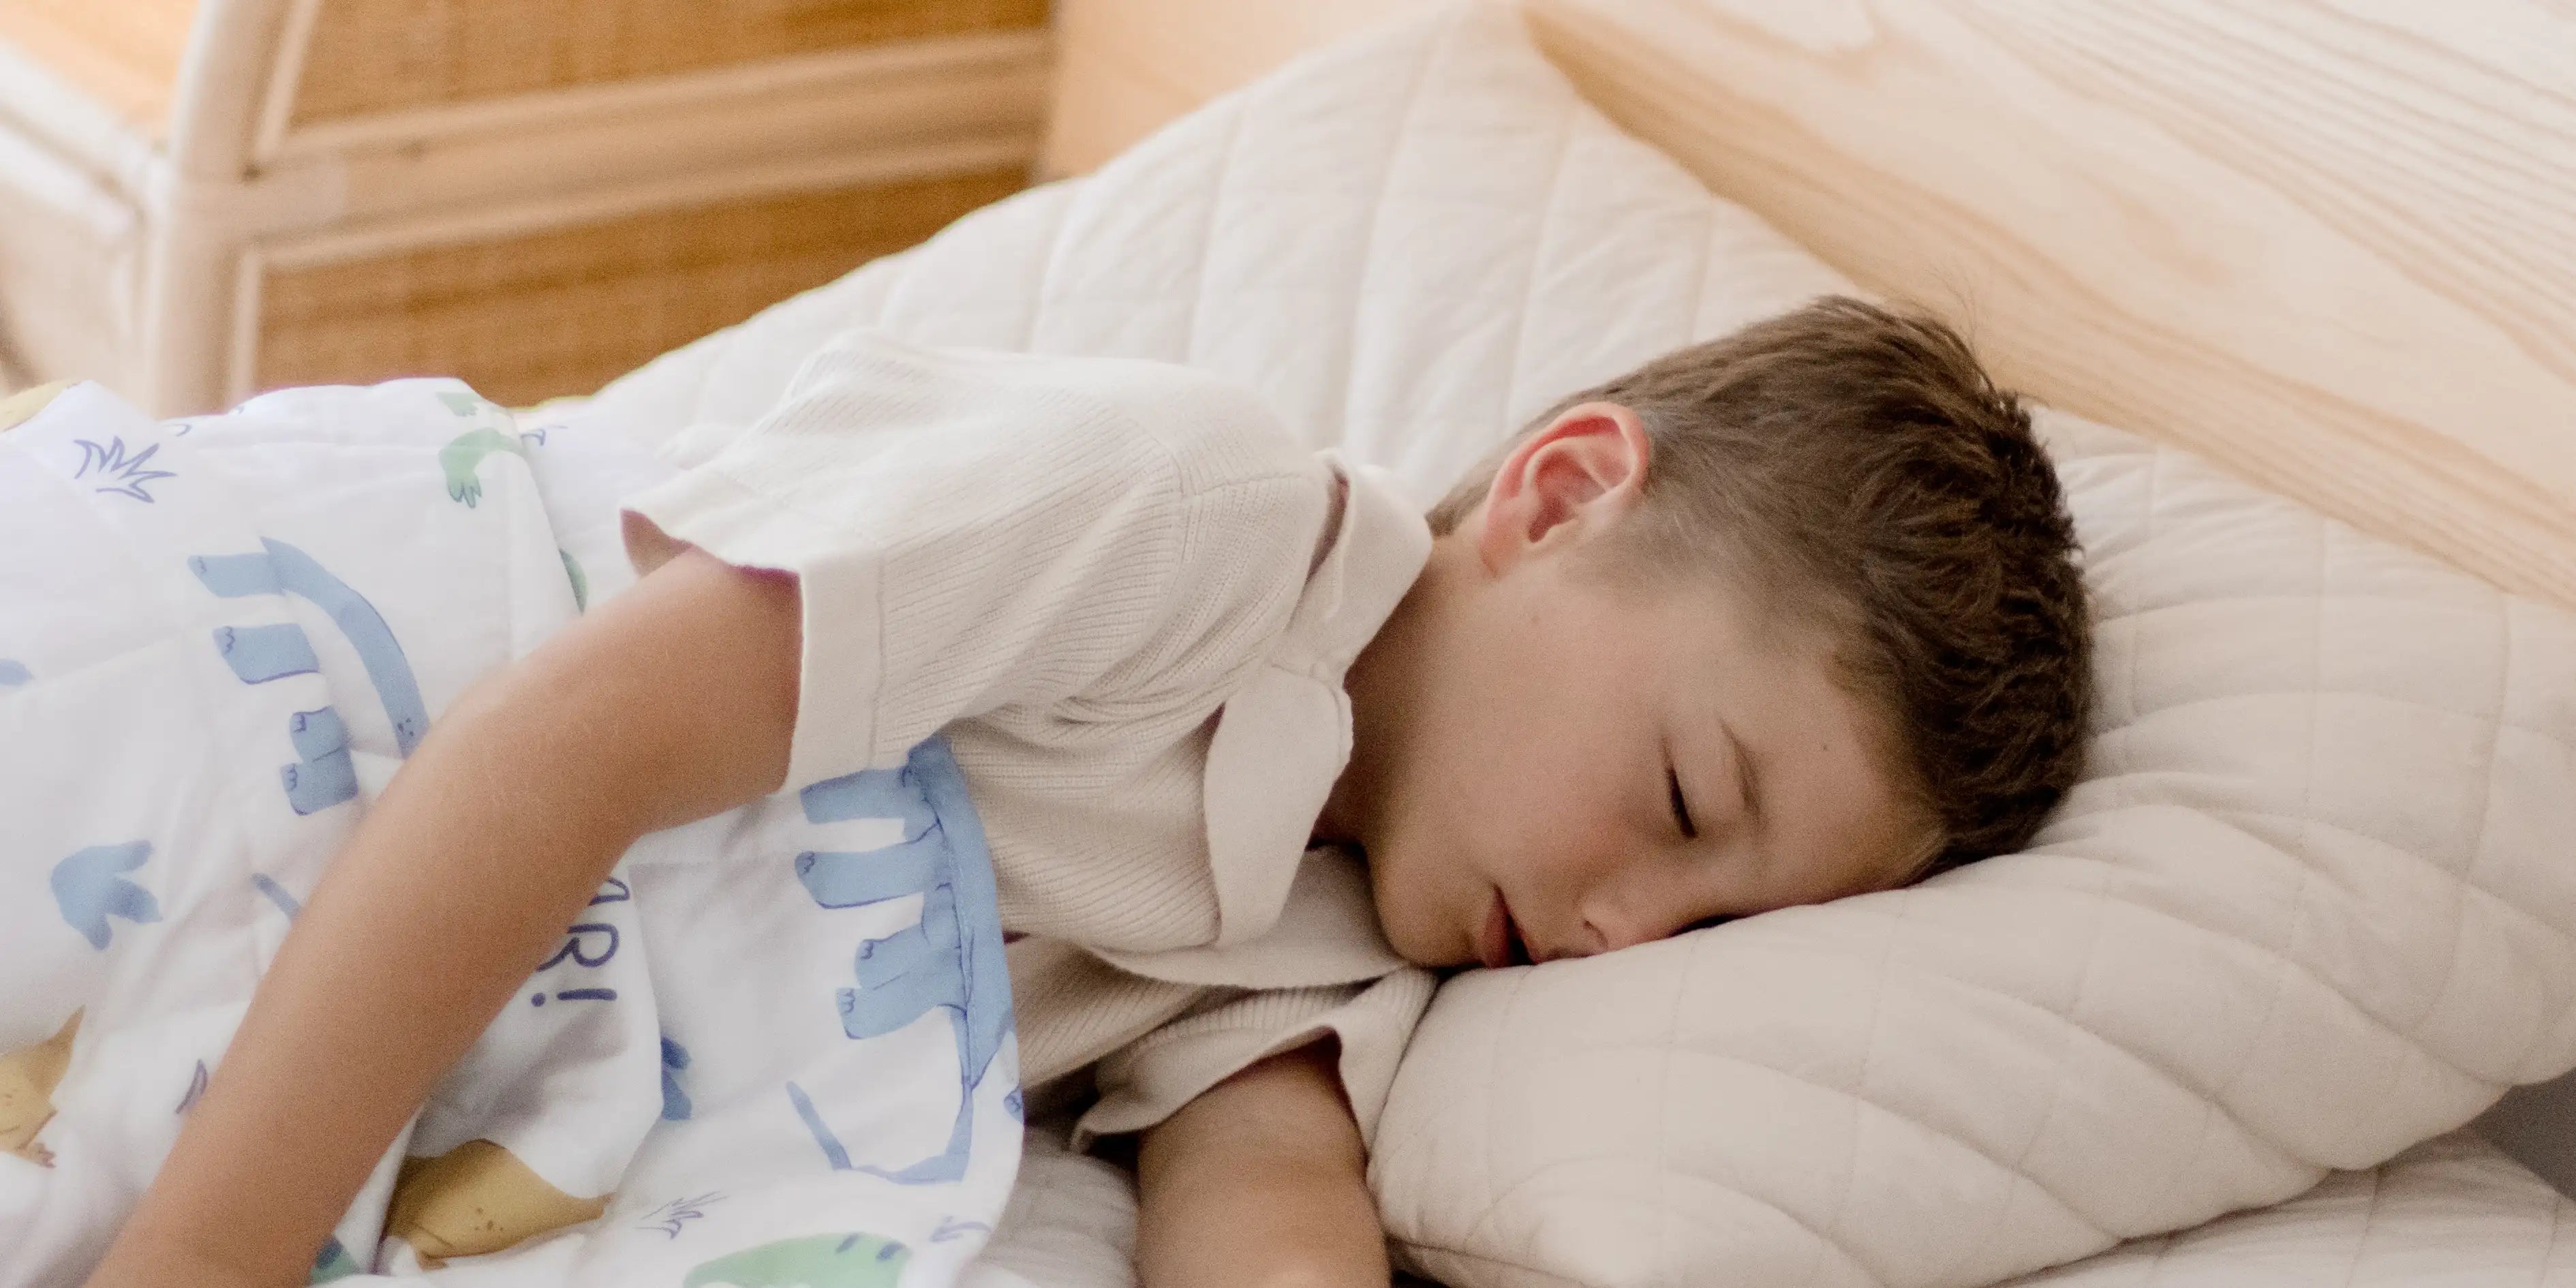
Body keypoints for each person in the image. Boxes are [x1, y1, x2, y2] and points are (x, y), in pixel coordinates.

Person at [82, 295, 2091, 1288]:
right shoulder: (1194, 521)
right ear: (1560, 497)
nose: (1619, 932)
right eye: (1675, 800)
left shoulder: (1350, 943)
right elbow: (574, 733)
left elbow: (1264, 1199)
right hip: (377, 667)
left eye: (1716, 927)